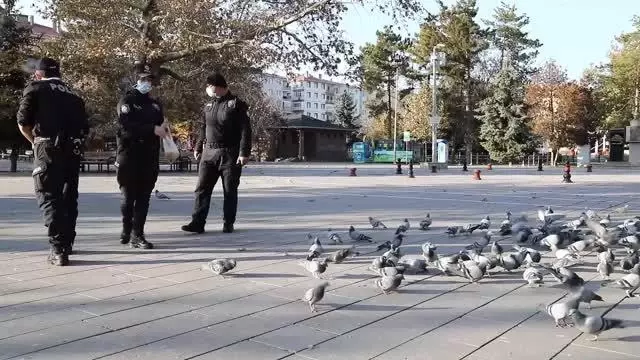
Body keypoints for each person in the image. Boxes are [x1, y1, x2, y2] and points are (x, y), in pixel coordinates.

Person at [16, 57, 90, 266]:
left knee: (49, 195)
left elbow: (23, 122)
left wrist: (34, 143)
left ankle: (57, 249)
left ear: (39, 73)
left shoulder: (35, 88)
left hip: (47, 148)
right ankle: (67, 243)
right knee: (68, 196)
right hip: (72, 151)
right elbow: (85, 128)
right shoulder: (75, 95)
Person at [181, 72, 252, 234]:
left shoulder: (236, 105)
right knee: (201, 189)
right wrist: (198, 147)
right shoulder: (208, 106)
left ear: (220, 87)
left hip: (230, 153)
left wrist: (244, 152)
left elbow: (246, 130)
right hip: (209, 152)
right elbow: (203, 129)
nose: (208, 89)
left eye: (210, 86)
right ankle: (197, 222)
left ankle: (228, 222)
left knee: (229, 190)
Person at [115, 62, 168, 249]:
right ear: (135, 80)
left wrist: (164, 130)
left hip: (149, 156)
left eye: (150, 80)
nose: (147, 83)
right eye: (143, 79)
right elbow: (124, 129)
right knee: (128, 196)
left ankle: (138, 234)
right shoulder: (127, 102)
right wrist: (151, 129)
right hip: (130, 155)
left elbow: (162, 126)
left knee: (144, 196)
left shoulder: (155, 105)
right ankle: (126, 229)